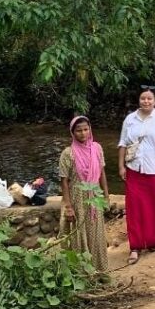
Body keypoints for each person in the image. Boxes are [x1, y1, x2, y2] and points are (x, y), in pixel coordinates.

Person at [119, 87, 155, 265]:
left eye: (149, 98)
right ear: (139, 100)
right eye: (143, 98)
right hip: (134, 169)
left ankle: (152, 241)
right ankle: (135, 246)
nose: (146, 102)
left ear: (154, 99)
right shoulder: (130, 119)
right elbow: (123, 144)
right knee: (134, 209)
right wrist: (121, 167)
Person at [59, 115, 109, 272]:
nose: (83, 133)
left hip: (94, 197)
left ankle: (99, 270)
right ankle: (81, 273)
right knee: (78, 234)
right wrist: (68, 206)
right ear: (73, 133)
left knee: (96, 233)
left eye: (86, 129)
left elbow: (101, 174)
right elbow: (64, 181)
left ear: (90, 130)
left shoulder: (97, 148)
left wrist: (106, 196)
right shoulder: (68, 153)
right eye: (79, 130)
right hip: (77, 198)